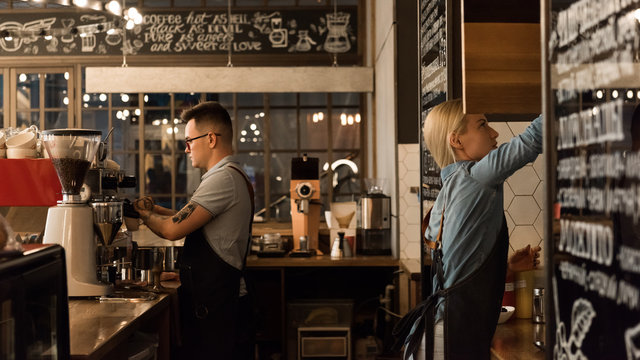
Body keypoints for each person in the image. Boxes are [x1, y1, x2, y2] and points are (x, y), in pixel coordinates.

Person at [394, 99, 542, 360]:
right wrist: (564, 90)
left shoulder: (446, 193)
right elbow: (532, 140)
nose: (494, 133)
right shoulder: (475, 177)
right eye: (483, 125)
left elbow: (455, 275)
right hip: (450, 342)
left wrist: (507, 269)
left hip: (432, 337)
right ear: (457, 141)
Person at [133, 101, 255, 359]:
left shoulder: (223, 179)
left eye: (189, 140)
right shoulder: (226, 175)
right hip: (215, 303)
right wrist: (153, 208)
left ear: (210, 139)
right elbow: (182, 216)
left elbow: (171, 229)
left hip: (219, 311)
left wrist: (141, 214)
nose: (186, 148)